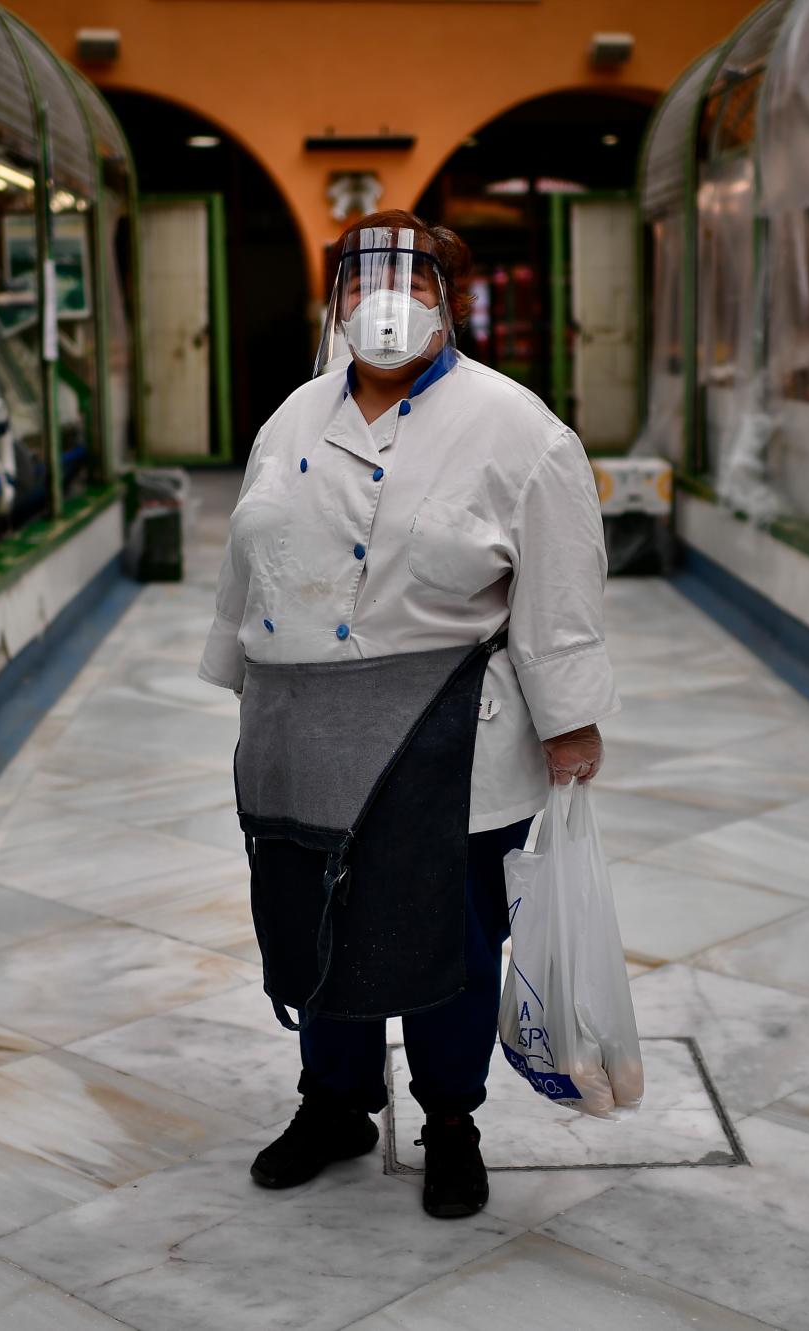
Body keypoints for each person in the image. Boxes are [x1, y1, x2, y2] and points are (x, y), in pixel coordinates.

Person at [198, 210, 617, 1219]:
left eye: (412, 279)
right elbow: (244, 558)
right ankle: (332, 1101)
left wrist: (569, 722)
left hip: (451, 732)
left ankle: (451, 1120)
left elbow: (559, 591)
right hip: (301, 731)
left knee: (451, 939)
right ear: (335, 298)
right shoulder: (292, 419)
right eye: (357, 280)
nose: (381, 300)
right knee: (315, 922)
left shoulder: (519, 429)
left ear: (447, 297)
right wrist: (239, 674)